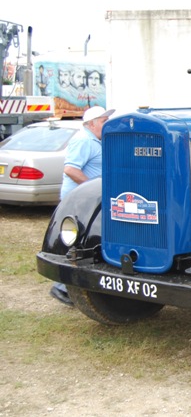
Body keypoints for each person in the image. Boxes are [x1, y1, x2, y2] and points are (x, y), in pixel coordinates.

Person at [49, 106, 115, 305]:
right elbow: (71, 169)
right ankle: (61, 287)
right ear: (91, 124)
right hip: (81, 200)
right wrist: (91, 189)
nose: (106, 125)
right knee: (77, 242)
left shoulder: (96, 141)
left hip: (92, 199)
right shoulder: (84, 140)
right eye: (104, 121)